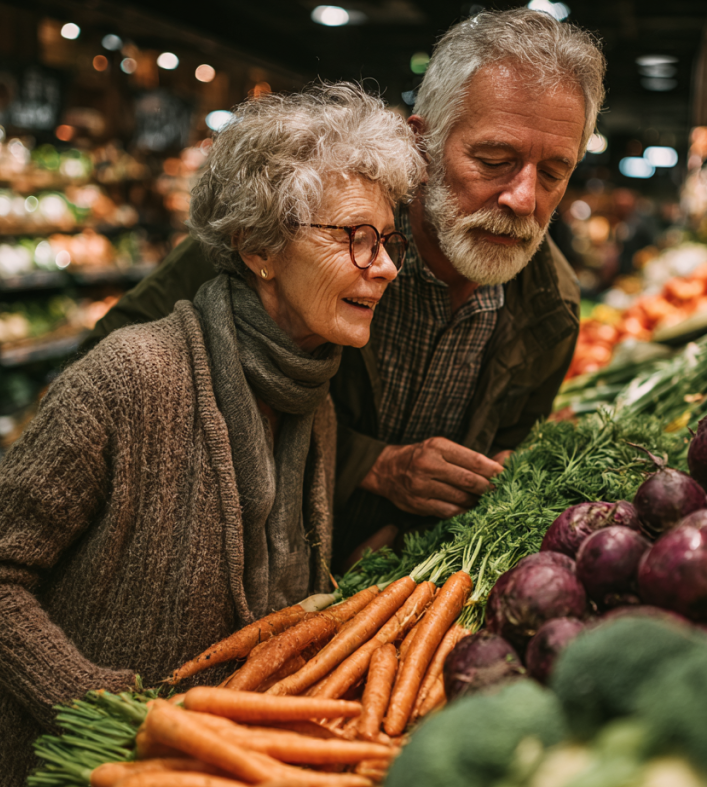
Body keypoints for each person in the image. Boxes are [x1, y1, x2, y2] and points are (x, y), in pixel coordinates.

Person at [0, 83, 423, 787]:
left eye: (388, 240)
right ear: (260, 246)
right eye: (357, 237)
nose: (385, 266)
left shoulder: (313, 399)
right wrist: (108, 712)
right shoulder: (132, 376)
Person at [88, 8, 607, 568]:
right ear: (423, 145)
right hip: (232, 568)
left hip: (376, 600)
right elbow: (108, 364)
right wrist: (372, 465)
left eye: (554, 172)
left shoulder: (551, 307)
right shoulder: (303, 224)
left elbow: (499, 460)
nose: (523, 199)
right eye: (494, 160)